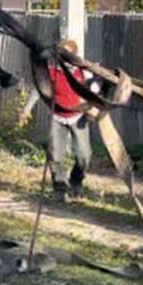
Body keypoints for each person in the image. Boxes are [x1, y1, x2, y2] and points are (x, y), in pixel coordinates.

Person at [45, 39, 92, 203]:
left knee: (84, 155)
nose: (64, 57)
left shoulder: (82, 72)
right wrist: (26, 110)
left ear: (73, 55)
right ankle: (59, 187)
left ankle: (76, 180)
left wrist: (92, 108)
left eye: (67, 54)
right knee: (56, 154)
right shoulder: (51, 71)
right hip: (58, 115)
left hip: (77, 115)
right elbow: (39, 91)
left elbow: (93, 91)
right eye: (61, 53)